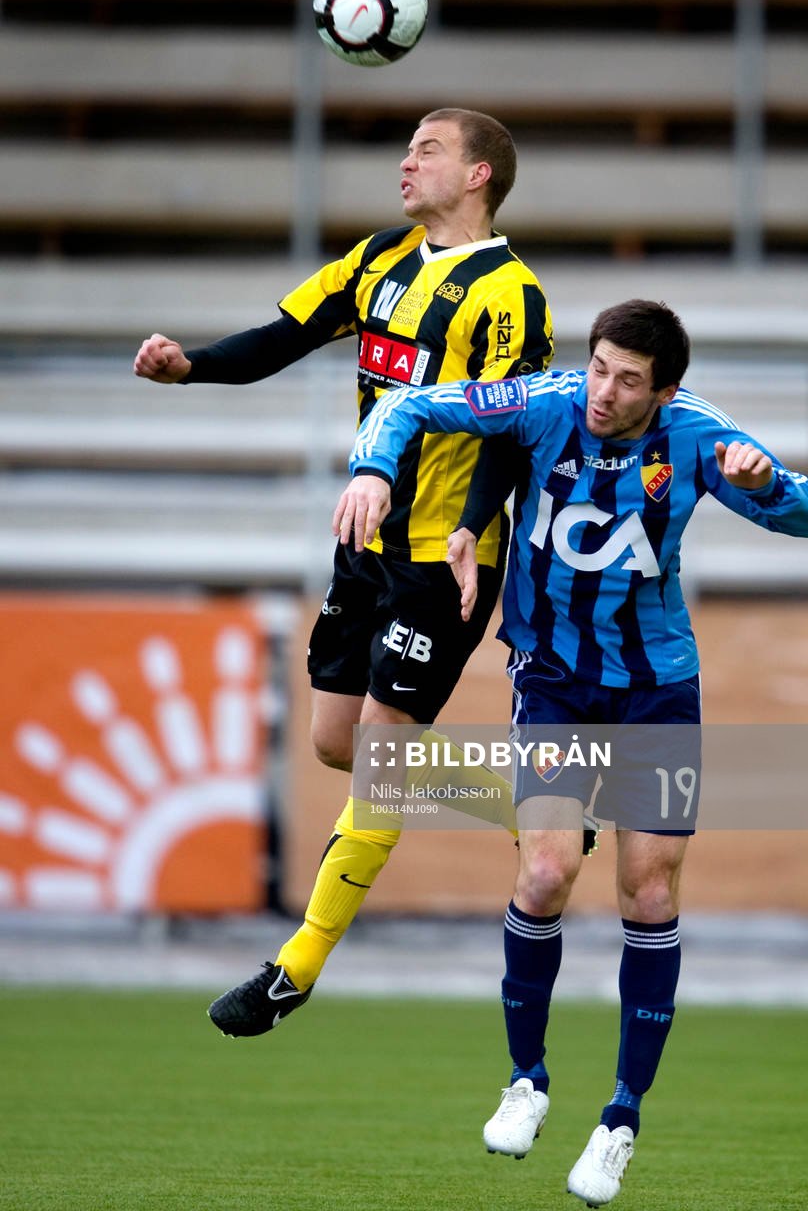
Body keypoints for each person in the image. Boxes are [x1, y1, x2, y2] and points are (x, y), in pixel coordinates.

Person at [333, 298, 808, 1205]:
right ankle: (526, 1081)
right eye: (599, 366)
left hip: (658, 693)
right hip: (555, 684)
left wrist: (761, 484)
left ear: (664, 390)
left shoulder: (697, 436)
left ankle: (621, 1118)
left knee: (648, 890)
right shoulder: (543, 400)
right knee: (545, 876)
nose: (604, 391)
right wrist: (371, 468)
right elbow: (408, 404)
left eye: (627, 379)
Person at [133, 108, 554, 1036]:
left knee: (387, 753)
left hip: (444, 553)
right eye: (406, 148)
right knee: (339, 743)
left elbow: (514, 427)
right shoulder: (374, 262)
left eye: (429, 149)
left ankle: (294, 969)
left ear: (479, 175)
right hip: (364, 541)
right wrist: (188, 367)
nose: (406, 162)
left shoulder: (510, 295)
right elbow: (278, 337)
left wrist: (474, 526)